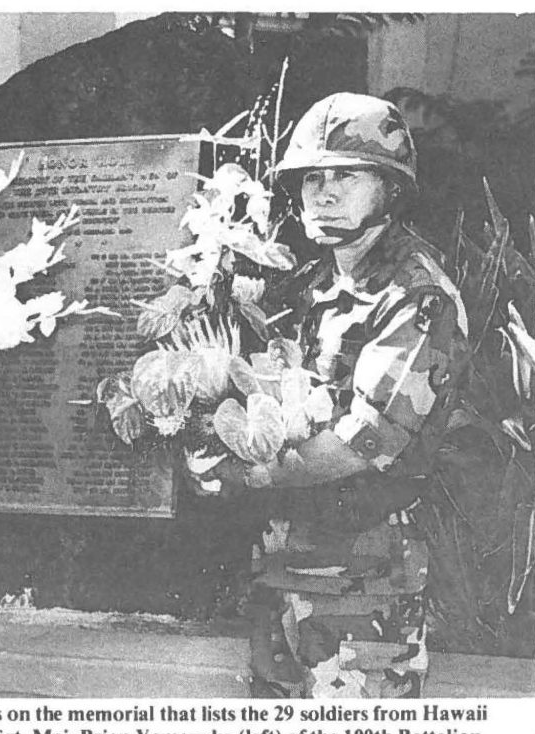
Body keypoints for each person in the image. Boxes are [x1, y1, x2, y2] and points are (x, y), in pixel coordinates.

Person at [194, 93, 469, 698]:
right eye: (312, 177)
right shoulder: (319, 284)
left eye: (346, 174)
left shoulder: (415, 295)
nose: (323, 190)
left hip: (361, 590)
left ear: (391, 190)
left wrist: (247, 474)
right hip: (285, 573)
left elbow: (361, 443)